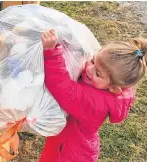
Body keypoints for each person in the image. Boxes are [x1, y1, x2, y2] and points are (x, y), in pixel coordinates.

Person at [39, 29, 147, 162]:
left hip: (68, 155)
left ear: (113, 88)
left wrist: (52, 53)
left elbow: (63, 88)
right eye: (93, 61)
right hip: (70, 147)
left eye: (98, 73)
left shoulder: (94, 103)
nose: (89, 69)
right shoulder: (106, 90)